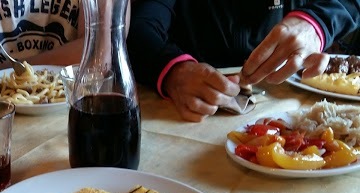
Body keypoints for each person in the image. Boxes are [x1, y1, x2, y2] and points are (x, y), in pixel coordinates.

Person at [127, 0, 360, 122]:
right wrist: (174, 71)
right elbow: (139, 27)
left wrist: (316, 23)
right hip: (192, 111)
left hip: (295, 107)